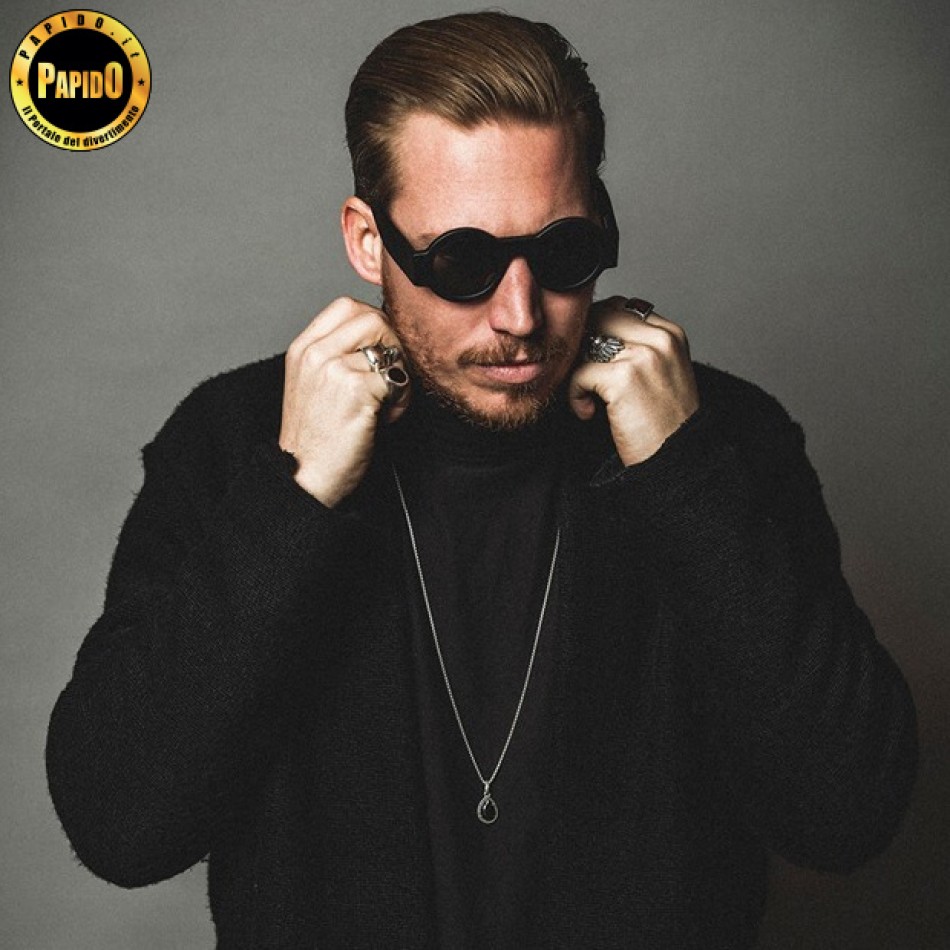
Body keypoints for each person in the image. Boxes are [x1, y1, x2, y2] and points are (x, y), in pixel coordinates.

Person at [46, 12, 917, 949]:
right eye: (463, 260)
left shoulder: (722, 441)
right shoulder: (234, 444)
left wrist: (685, 476)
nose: (520, 315)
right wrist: (295, 496)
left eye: (564, 253)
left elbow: (846, 816)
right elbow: (120, 825)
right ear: (369, 241)